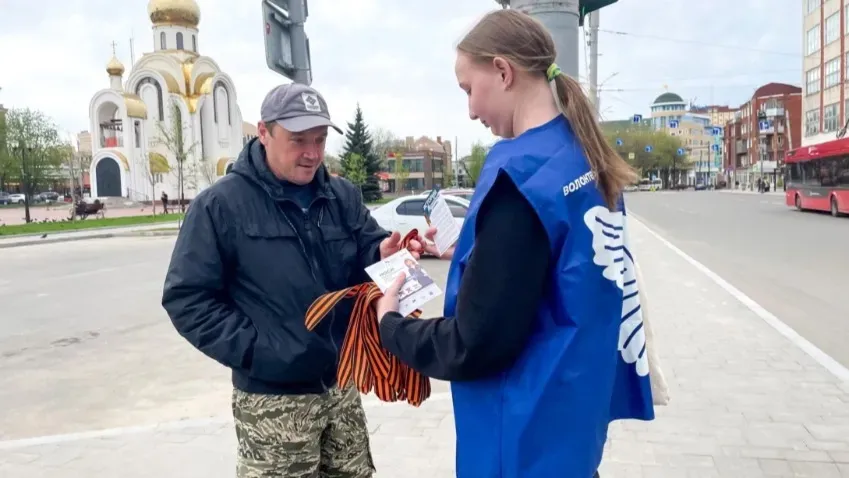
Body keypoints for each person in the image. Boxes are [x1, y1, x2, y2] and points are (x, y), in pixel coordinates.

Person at [374, 9, 654, 478]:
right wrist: (470, 251)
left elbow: (475, 343)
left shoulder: (523, 179)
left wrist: (391, 324)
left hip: (524, 441)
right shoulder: (584, 156)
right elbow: (556, 270)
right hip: (571, 430)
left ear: (503, 71)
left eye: (468, 88)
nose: (470, 110)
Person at [161, 83, 423, 478]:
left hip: (341, 387)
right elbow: (187, 298)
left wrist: (384, 254)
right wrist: (260, 352)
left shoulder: (341, 196)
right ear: (264, 133)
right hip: (273, 402)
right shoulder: (221, 206)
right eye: (298, 140)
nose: (313, 153)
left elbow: (368, 251)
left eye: (319, 140)